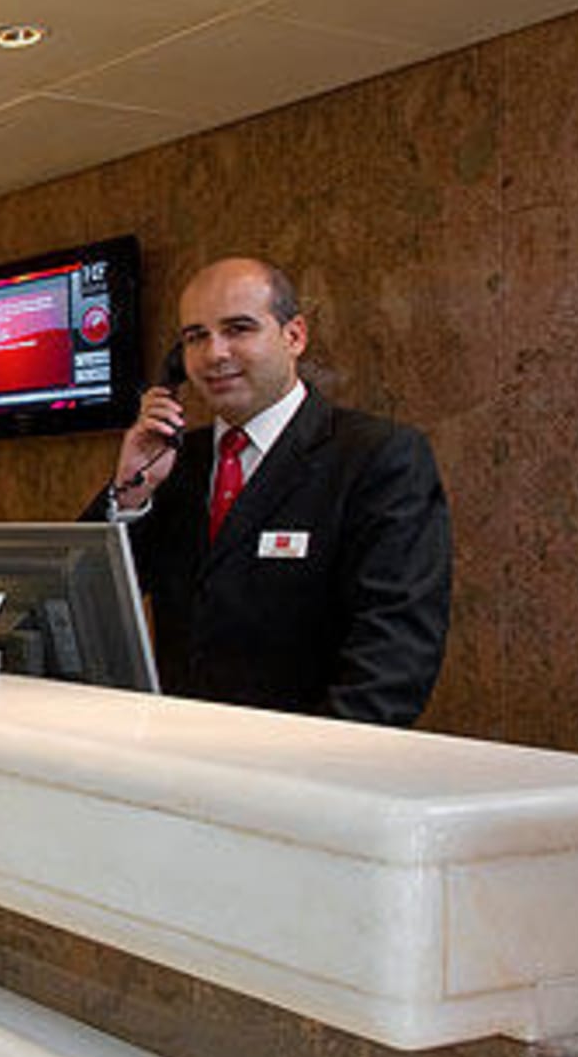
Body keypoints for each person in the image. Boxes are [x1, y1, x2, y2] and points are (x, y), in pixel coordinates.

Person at [97, 256, 452, 726]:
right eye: (196, 336)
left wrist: (314, 761)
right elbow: (84, 600)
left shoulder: (377, 457)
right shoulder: (171, 462)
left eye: (238, 329)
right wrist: (130, 493)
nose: (214, 353)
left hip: (305, 759)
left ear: (294, 336)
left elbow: (396, 654)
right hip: (179, 749)